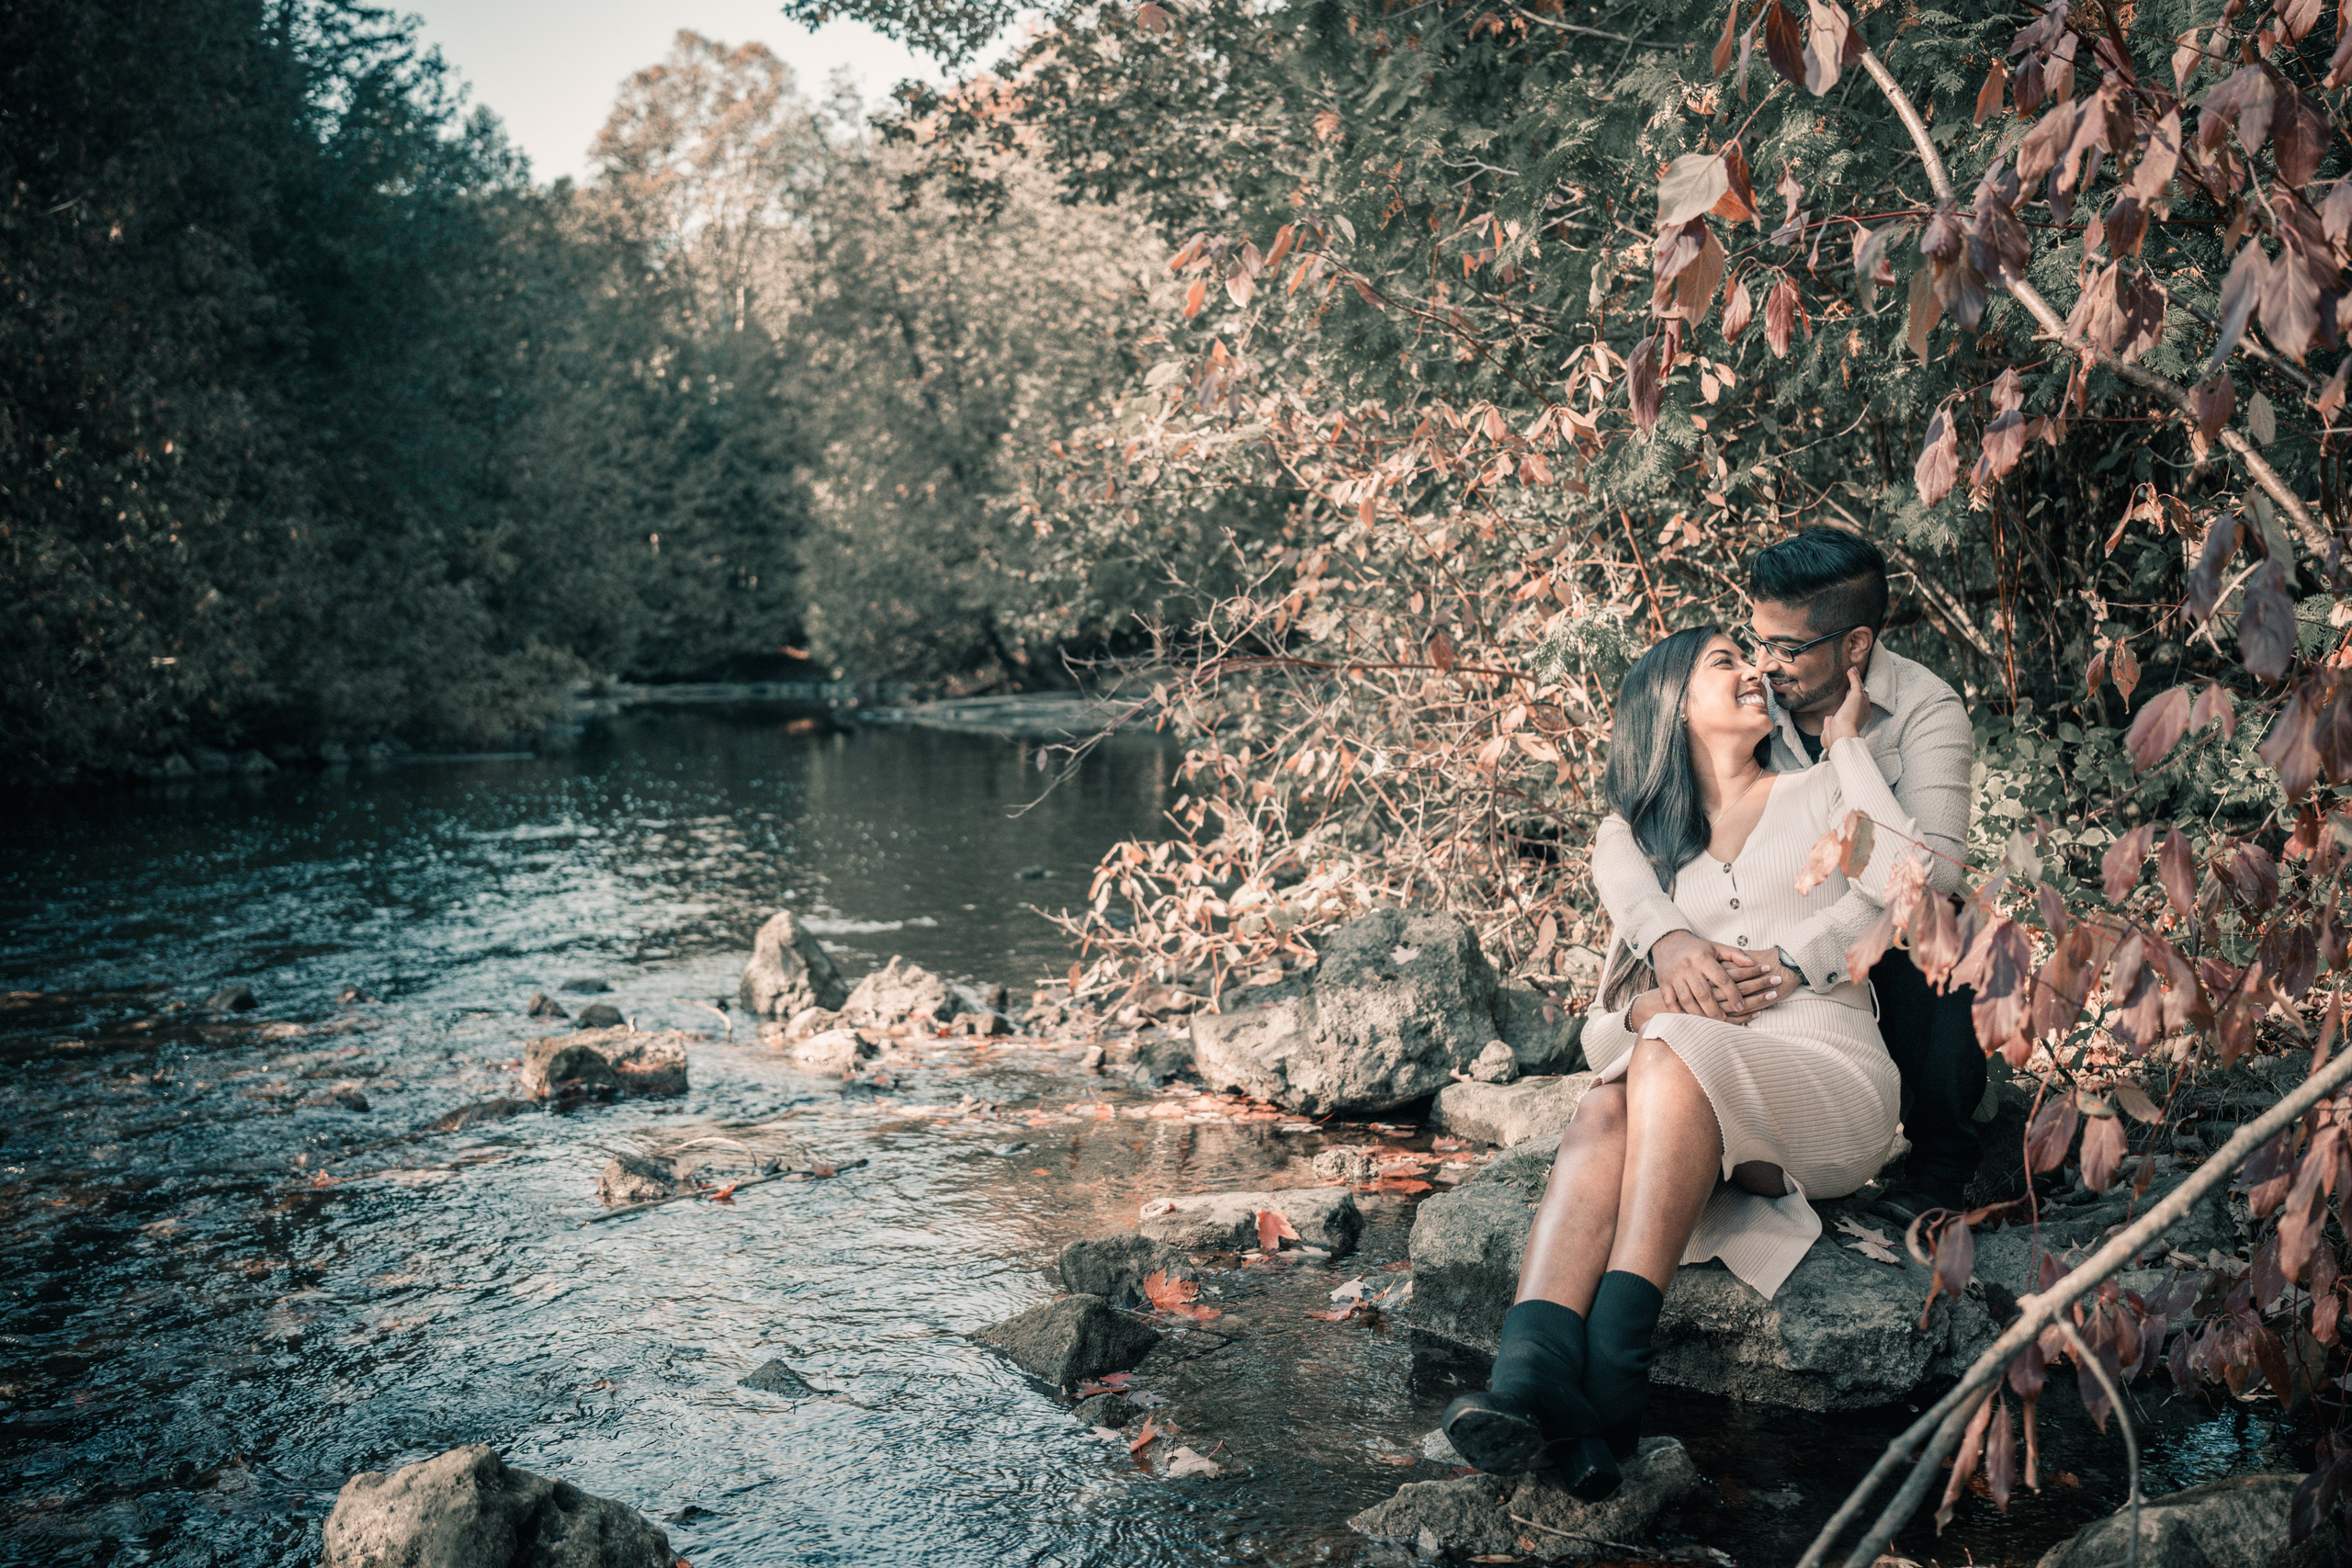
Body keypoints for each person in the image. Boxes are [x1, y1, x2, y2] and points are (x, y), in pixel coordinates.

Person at [1440, 626, 1925, 1500]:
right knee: (1603, 1103)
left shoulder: (1821, 790)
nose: (1754, 672)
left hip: (1828, 1075)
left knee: (1664, 1052)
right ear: (1670, 704)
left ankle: (1612, 1366)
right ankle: (1541, 1377)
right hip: (1690, 1091)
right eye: (1724, 661)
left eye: (1752, 657)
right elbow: (1600, 1038)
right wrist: (1660, 984)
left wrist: (1846, 741)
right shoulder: (1658, 853)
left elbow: (1901, 879)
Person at [1589, 527, 1980, 1227]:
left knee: (1947, 923)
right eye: (1756, 640)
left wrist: (1803, 956)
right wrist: (1668, 937)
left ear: (1854, 646)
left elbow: (1934, 879)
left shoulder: (1927, 710)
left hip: (1879, 940)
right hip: (1773, 978)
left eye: (1786, 648)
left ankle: (1942, 1159)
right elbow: (1630, 822)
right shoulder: (1755, 696)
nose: (1764, 665)